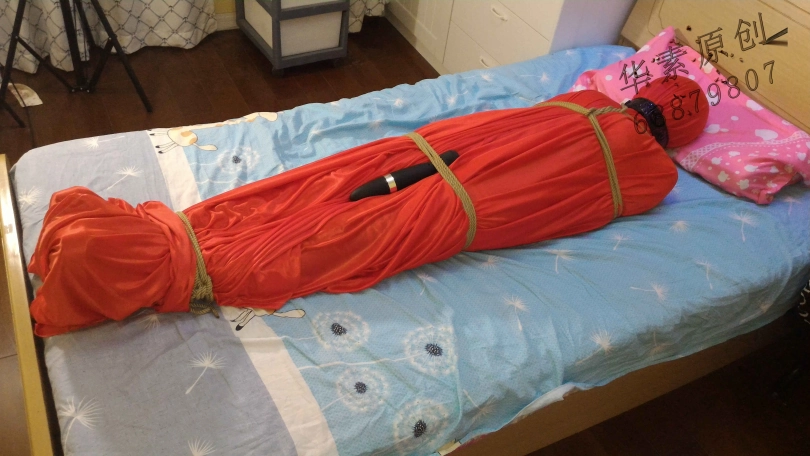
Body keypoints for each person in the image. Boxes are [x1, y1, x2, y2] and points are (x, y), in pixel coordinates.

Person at [28, 78, 709, 336]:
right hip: (469, 190)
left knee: (318, 200)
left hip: (451, 169)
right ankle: (156, 261)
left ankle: (144, 254)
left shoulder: (595, 109)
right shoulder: (651, 173)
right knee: (334, 223)